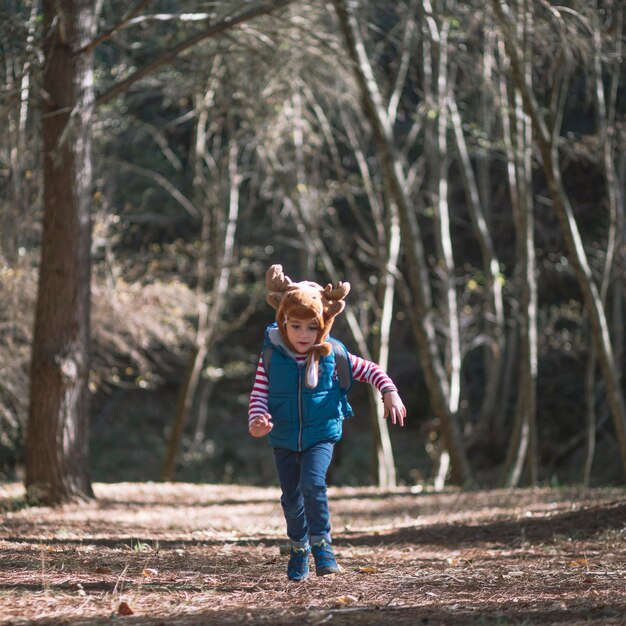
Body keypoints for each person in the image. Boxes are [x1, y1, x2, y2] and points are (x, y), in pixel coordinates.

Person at [248, 264, 406, 582]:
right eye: (295, 326)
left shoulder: (333, 354)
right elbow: (258, 395)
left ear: (323, 324)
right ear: (283, 323)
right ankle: (298, 549)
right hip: (283, 437)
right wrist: (257, 421)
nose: (304, 335)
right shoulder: (271, 356)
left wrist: (388, 389)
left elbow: (370, 369)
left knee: (313, 486)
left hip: (321, 434)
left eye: (311, 327)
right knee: (291, 498)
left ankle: (323, 548)